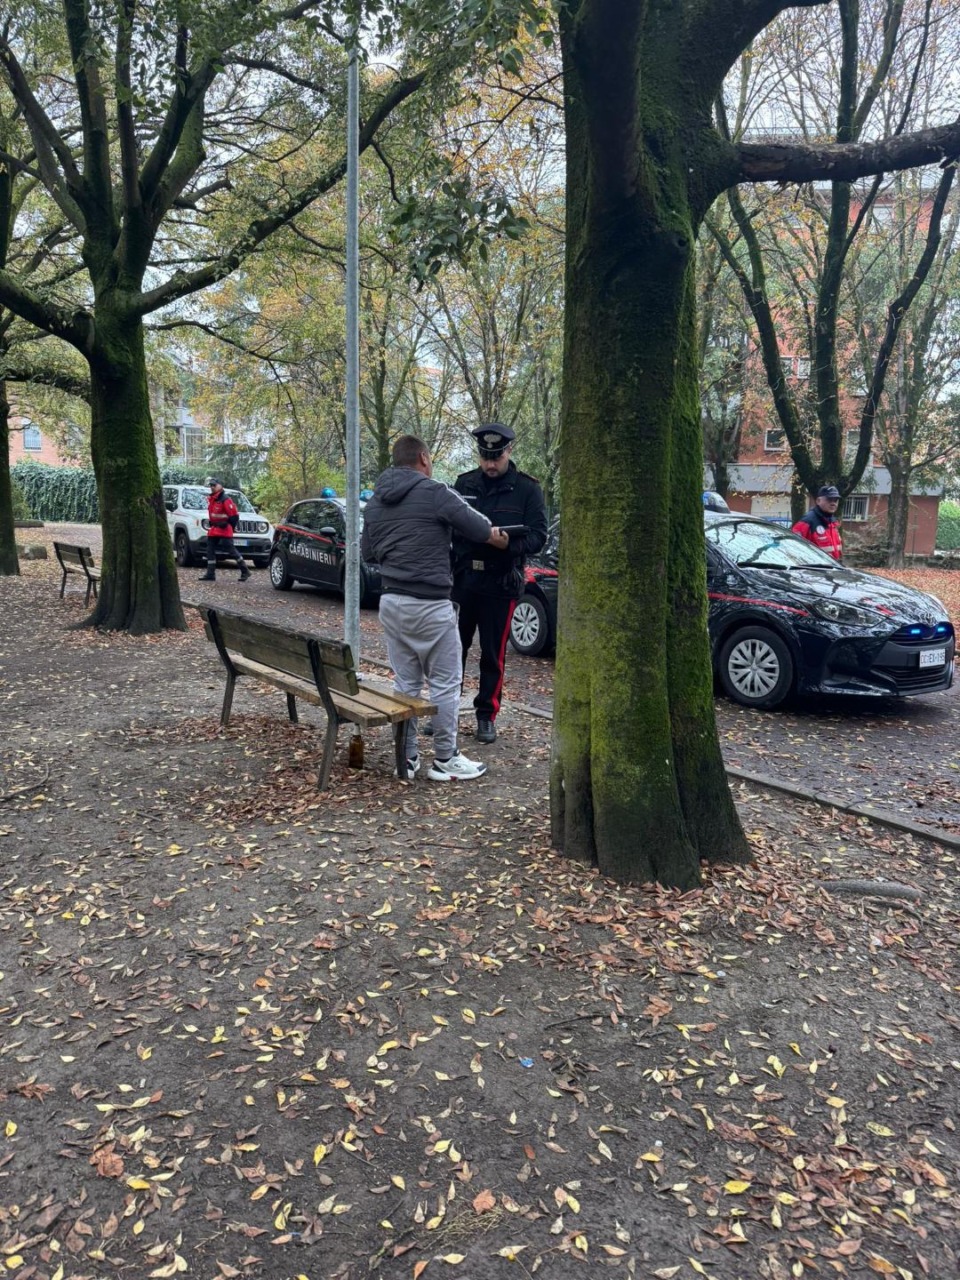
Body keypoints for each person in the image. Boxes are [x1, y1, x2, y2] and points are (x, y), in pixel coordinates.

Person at [361, 435, 509, 781]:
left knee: (406, 684)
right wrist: (498, 539)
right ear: (424, 458)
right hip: (430, 604)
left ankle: (408, 758)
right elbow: (478, 527)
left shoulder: (376, 503)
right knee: (445, 682)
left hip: (391, 602)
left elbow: (368, 553)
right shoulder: (436, 492)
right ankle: (446, 758)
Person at [451, 424, 548, 744]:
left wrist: (507, 545)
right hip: (465, 580)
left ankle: (486, 716)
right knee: (453, 651)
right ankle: (447, 711)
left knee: (493, 654)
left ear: (509, 451)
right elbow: (450, 528)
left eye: (496, 457)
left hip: (501, 581)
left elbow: (538, 537)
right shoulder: (464, 483)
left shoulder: (527, 489)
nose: (490, 464)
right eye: (485, 457)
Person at [197, 478, 250, 582]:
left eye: (214, 485)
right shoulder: (213, 499)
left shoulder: (225, 499)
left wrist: (230, 526)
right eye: (211, 485)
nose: (212, 487)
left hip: (224, 529)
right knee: (210, 550)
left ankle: (245, 570)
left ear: (220, 485)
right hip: (214, 529)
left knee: (231, 550)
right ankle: (210, 574)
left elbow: (234, 516)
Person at [792, 485, 843, 561]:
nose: (833, 503)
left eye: (835, 500)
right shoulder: (807, 522)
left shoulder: (833, 523)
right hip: (814, 570)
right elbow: (793, 547)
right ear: (818, 501)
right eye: (829, 499)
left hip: (833, 568)